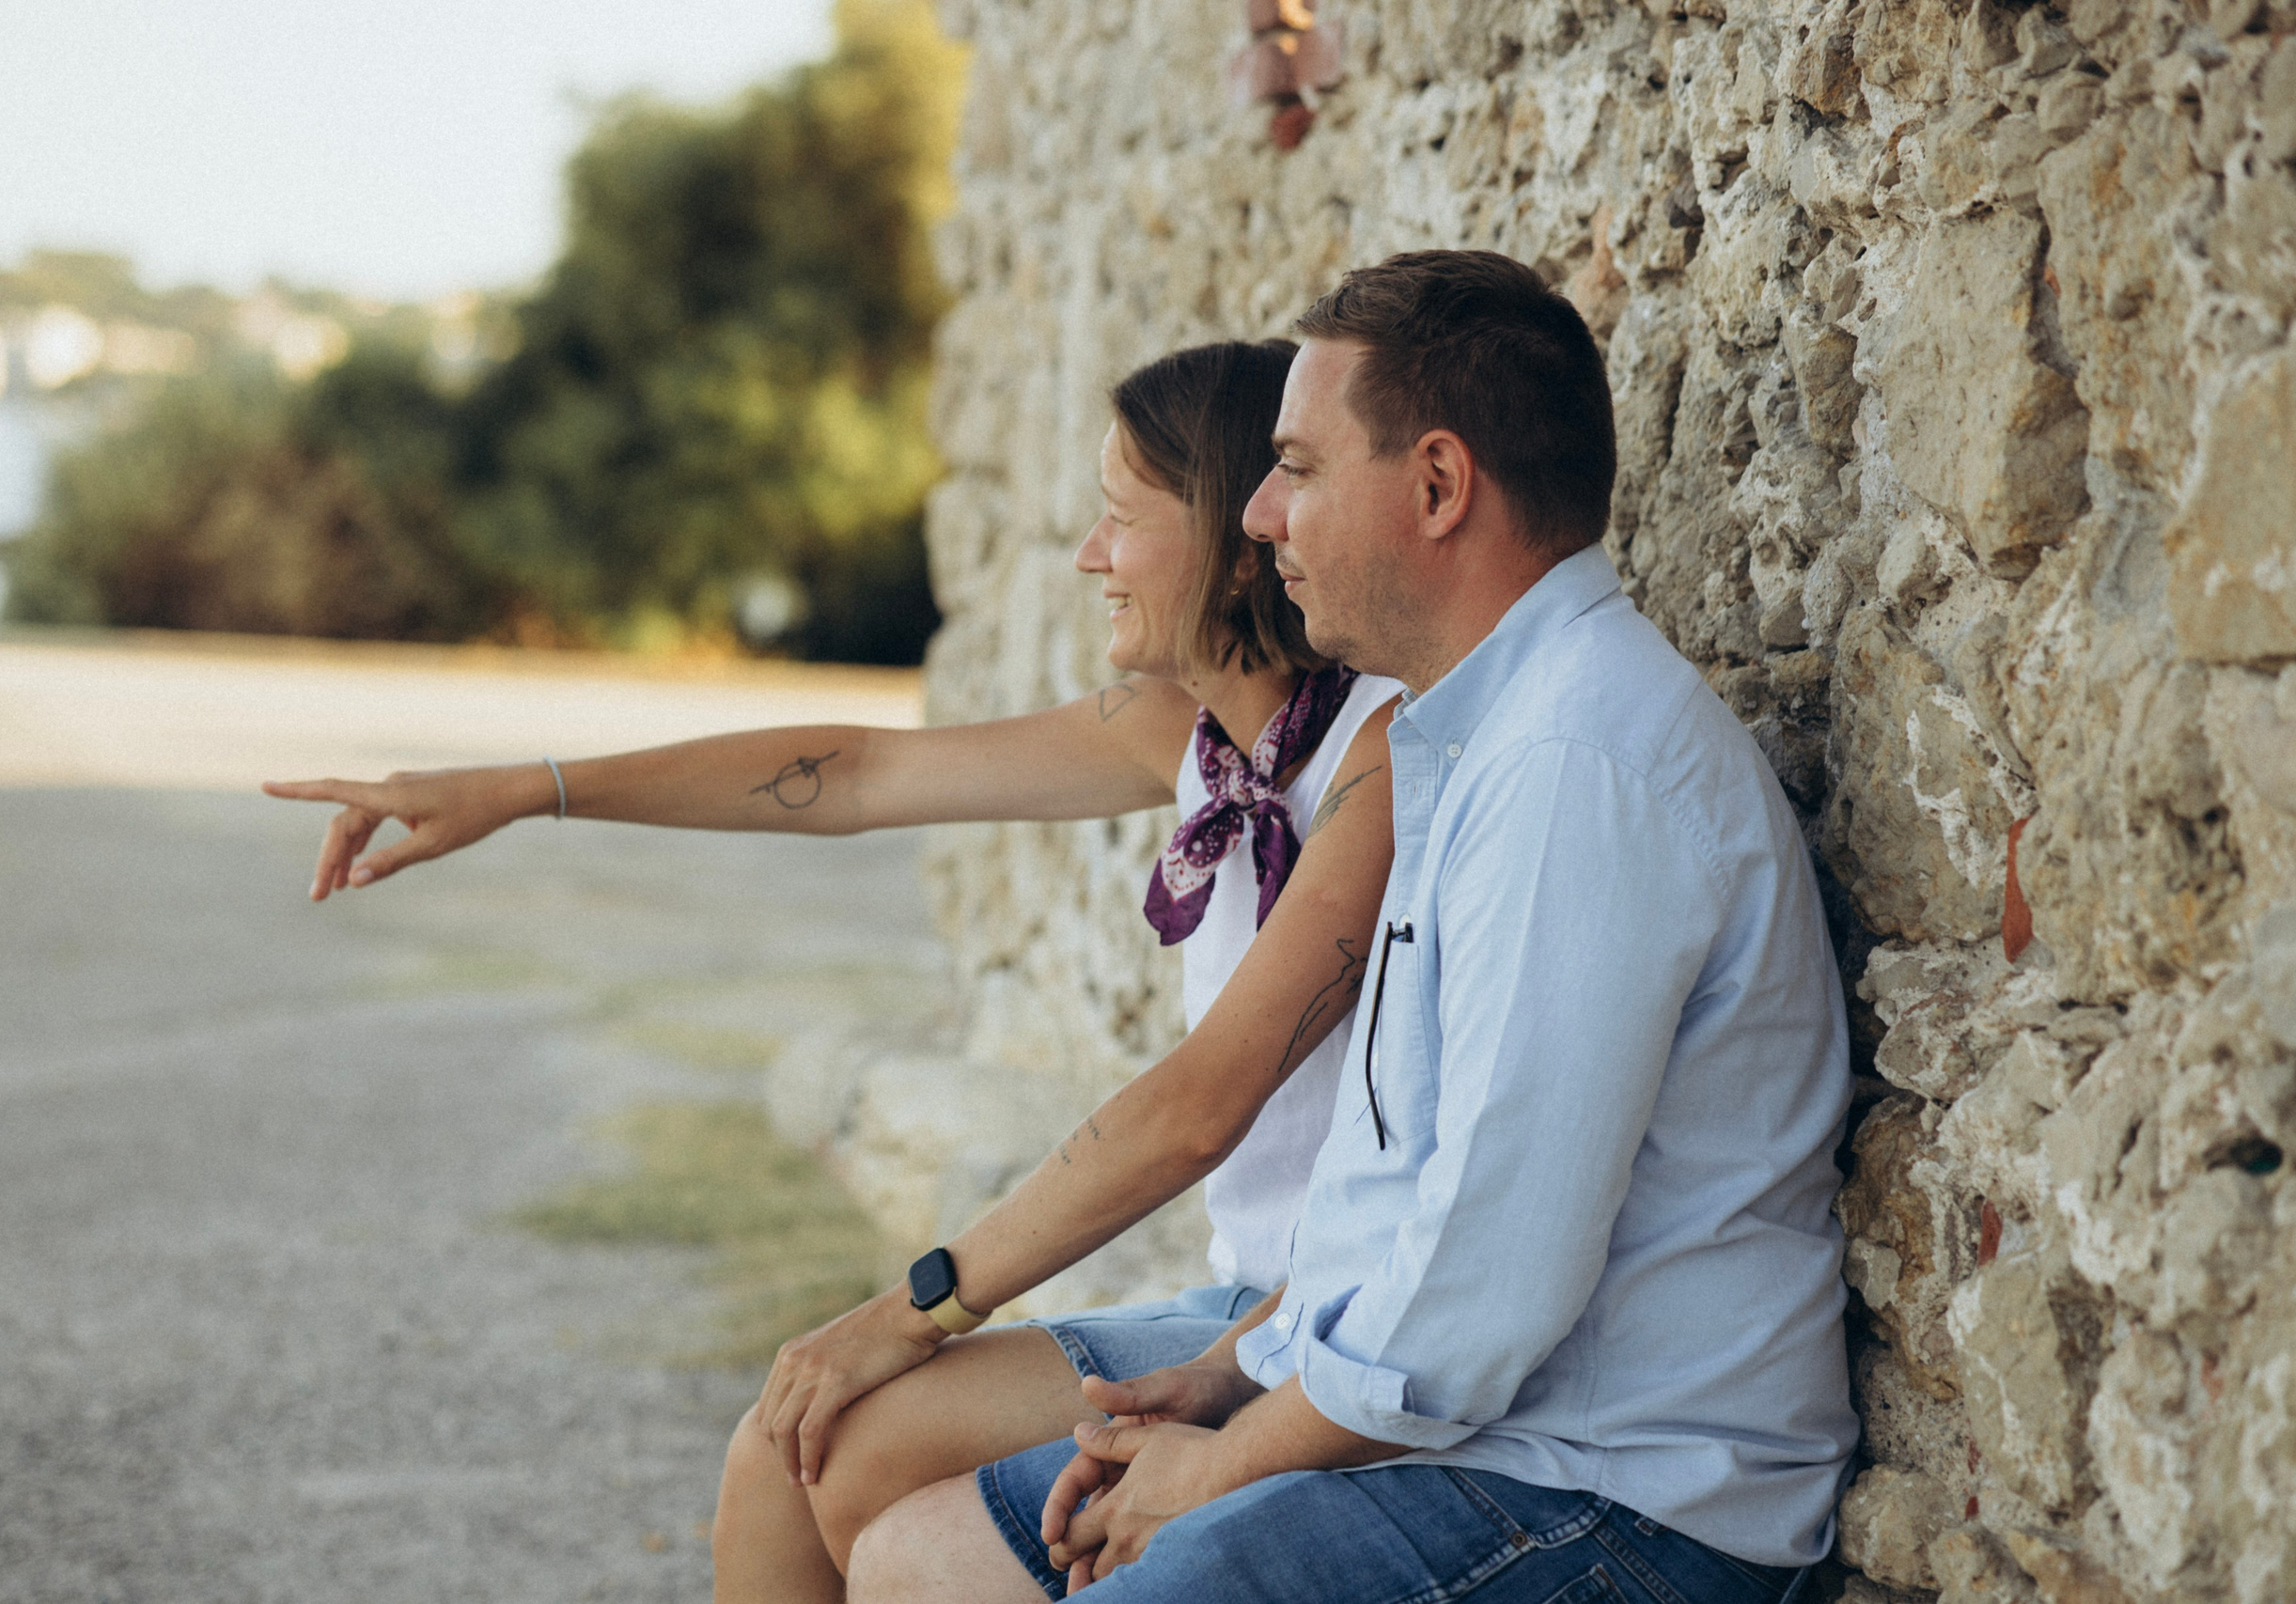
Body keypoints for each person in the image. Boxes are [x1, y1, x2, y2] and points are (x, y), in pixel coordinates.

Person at [261, 339, 1403, 1601]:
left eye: (1119, 518)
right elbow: (858, 774)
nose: (1087, 555)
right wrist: (528, 790)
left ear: (1244, 536)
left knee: (856, 1451)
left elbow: (1195, 1111)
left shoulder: (1378, 754)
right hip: (1236, 1307)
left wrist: (910, 1310)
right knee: (793, 1441)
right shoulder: (1185, 733)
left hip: (1328, 1328)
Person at [844, 251, 1859, 1604]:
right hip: (1467, 1429)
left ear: (1438, 487)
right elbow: (1399, 1192)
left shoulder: (1575, 769)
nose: (1260, 516)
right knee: (917, 1560)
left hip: (1613, 1498)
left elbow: (1480, 1290)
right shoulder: (1471, 737)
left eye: (1300, 469)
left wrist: (1226, 1463)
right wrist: (1222, 1374)